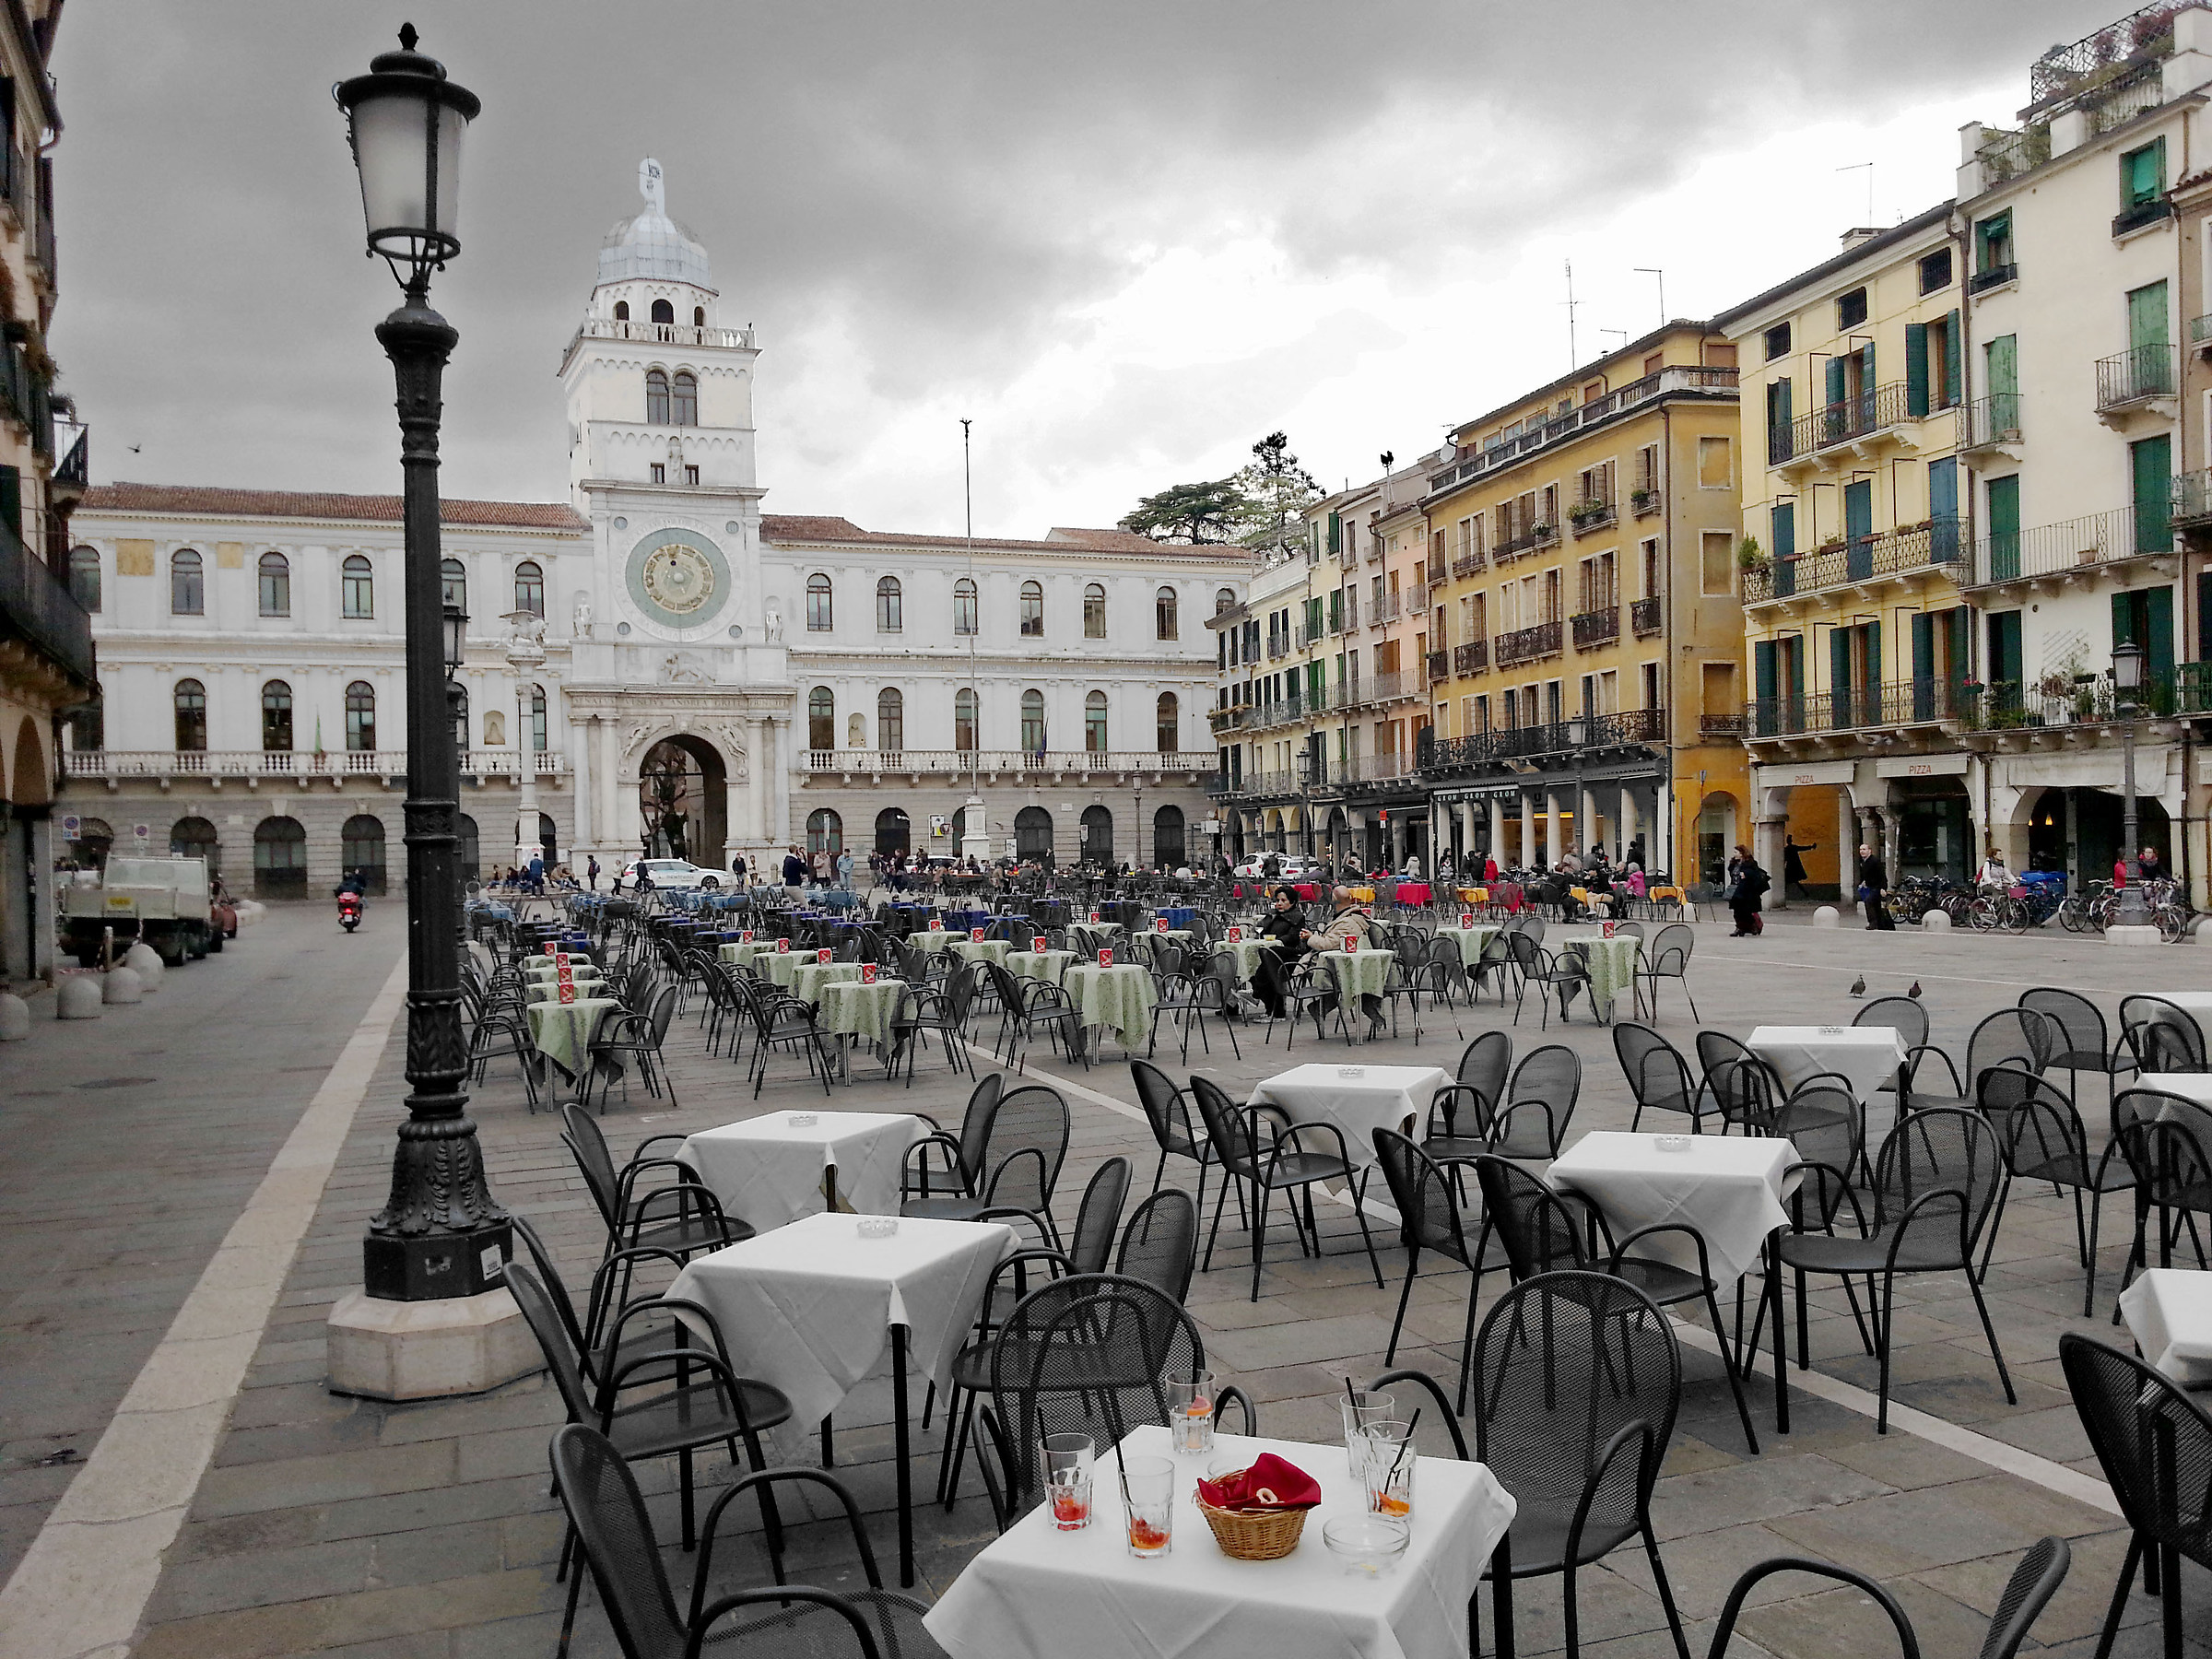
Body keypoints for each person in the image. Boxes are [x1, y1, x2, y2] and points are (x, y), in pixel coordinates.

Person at [1250, 886, 1309, 1017]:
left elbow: (1293, 936)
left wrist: (1279, 941)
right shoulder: (1272, 915)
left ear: (1292, 902)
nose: (1279, 904)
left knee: (1270, 967)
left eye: (1283, 900)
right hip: (1271, 954)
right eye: (1277, 900)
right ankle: (1273, 1010)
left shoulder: (1298, 917)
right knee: (1267, 966)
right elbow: (1260, 929)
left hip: (1291, 955)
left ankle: (1257, 995)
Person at [1727, 843, 1770, 936]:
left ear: (1742, 853)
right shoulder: (1734, 864)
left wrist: (1746, 874)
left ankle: (1753, 926)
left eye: (1736, 852)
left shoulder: (1750, 863)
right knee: (1737, 912)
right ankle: (1739, 928)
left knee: (1746, 911)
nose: (1734, 854)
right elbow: (1732, 873)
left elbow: (1755, 875)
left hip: (1747, 892)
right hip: (1736, 890)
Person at [1857, 841, 1896, 930]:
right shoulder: (1864, 862)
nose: (1862, 851)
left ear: (1869, 851)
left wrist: (1883, 888)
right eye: (1860, 849)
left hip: (1877, 887)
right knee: (1877, 906)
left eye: (1864, 849)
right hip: (1871, 887)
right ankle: (1885, 925)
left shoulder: (1874, 861)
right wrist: (1864, 883)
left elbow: (1882, 876)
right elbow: (1868, 875)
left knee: (1868, 901)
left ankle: (1873, 923)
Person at [1783, 834, 1816, 900]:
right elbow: (1802, 848)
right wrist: (1811, 847)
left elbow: (1784, 859)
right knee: (1794, 881)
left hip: (1790, 868)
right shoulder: (1793, 848)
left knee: (1788, 881)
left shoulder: (1787, 849)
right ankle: (1805, 892)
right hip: (1794, 867)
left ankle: (1784, 893)